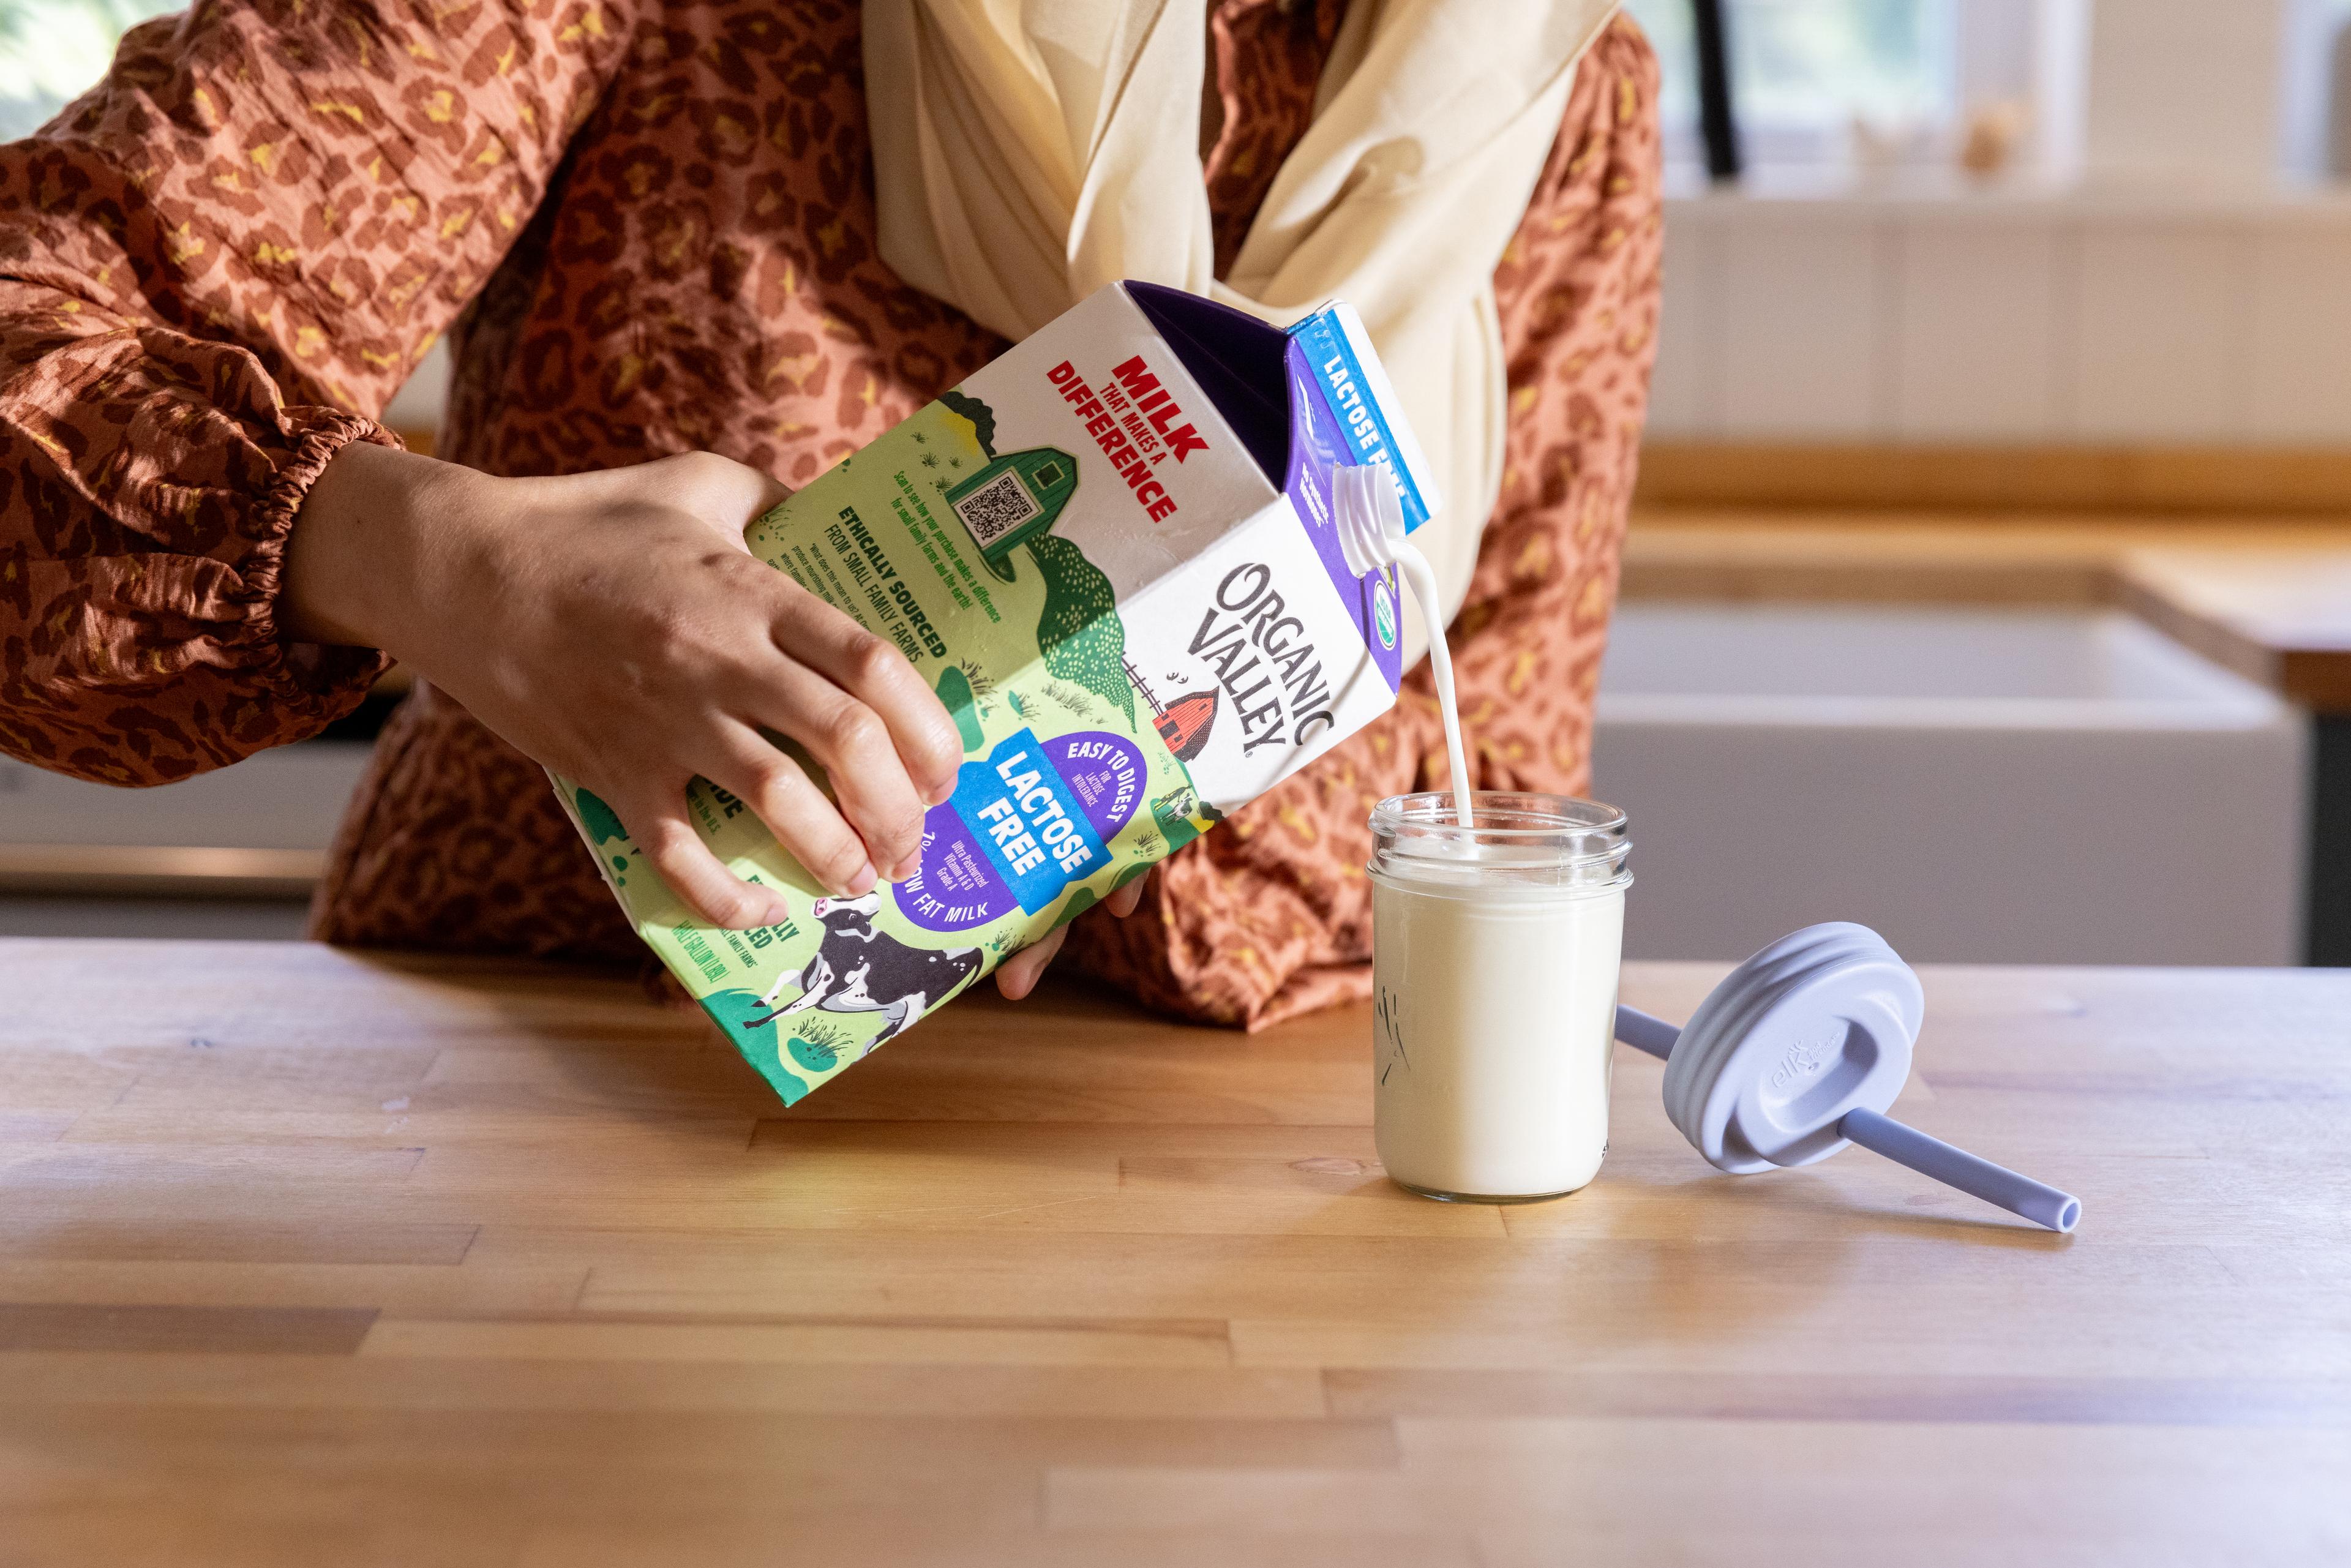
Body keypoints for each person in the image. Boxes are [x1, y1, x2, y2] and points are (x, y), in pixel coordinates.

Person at [0, 0, 1660, 1026]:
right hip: (562, 1092)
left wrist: (1147, 798)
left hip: (1264, 1210)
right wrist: (460, 569)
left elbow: (1505, 795)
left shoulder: (1550, 92)